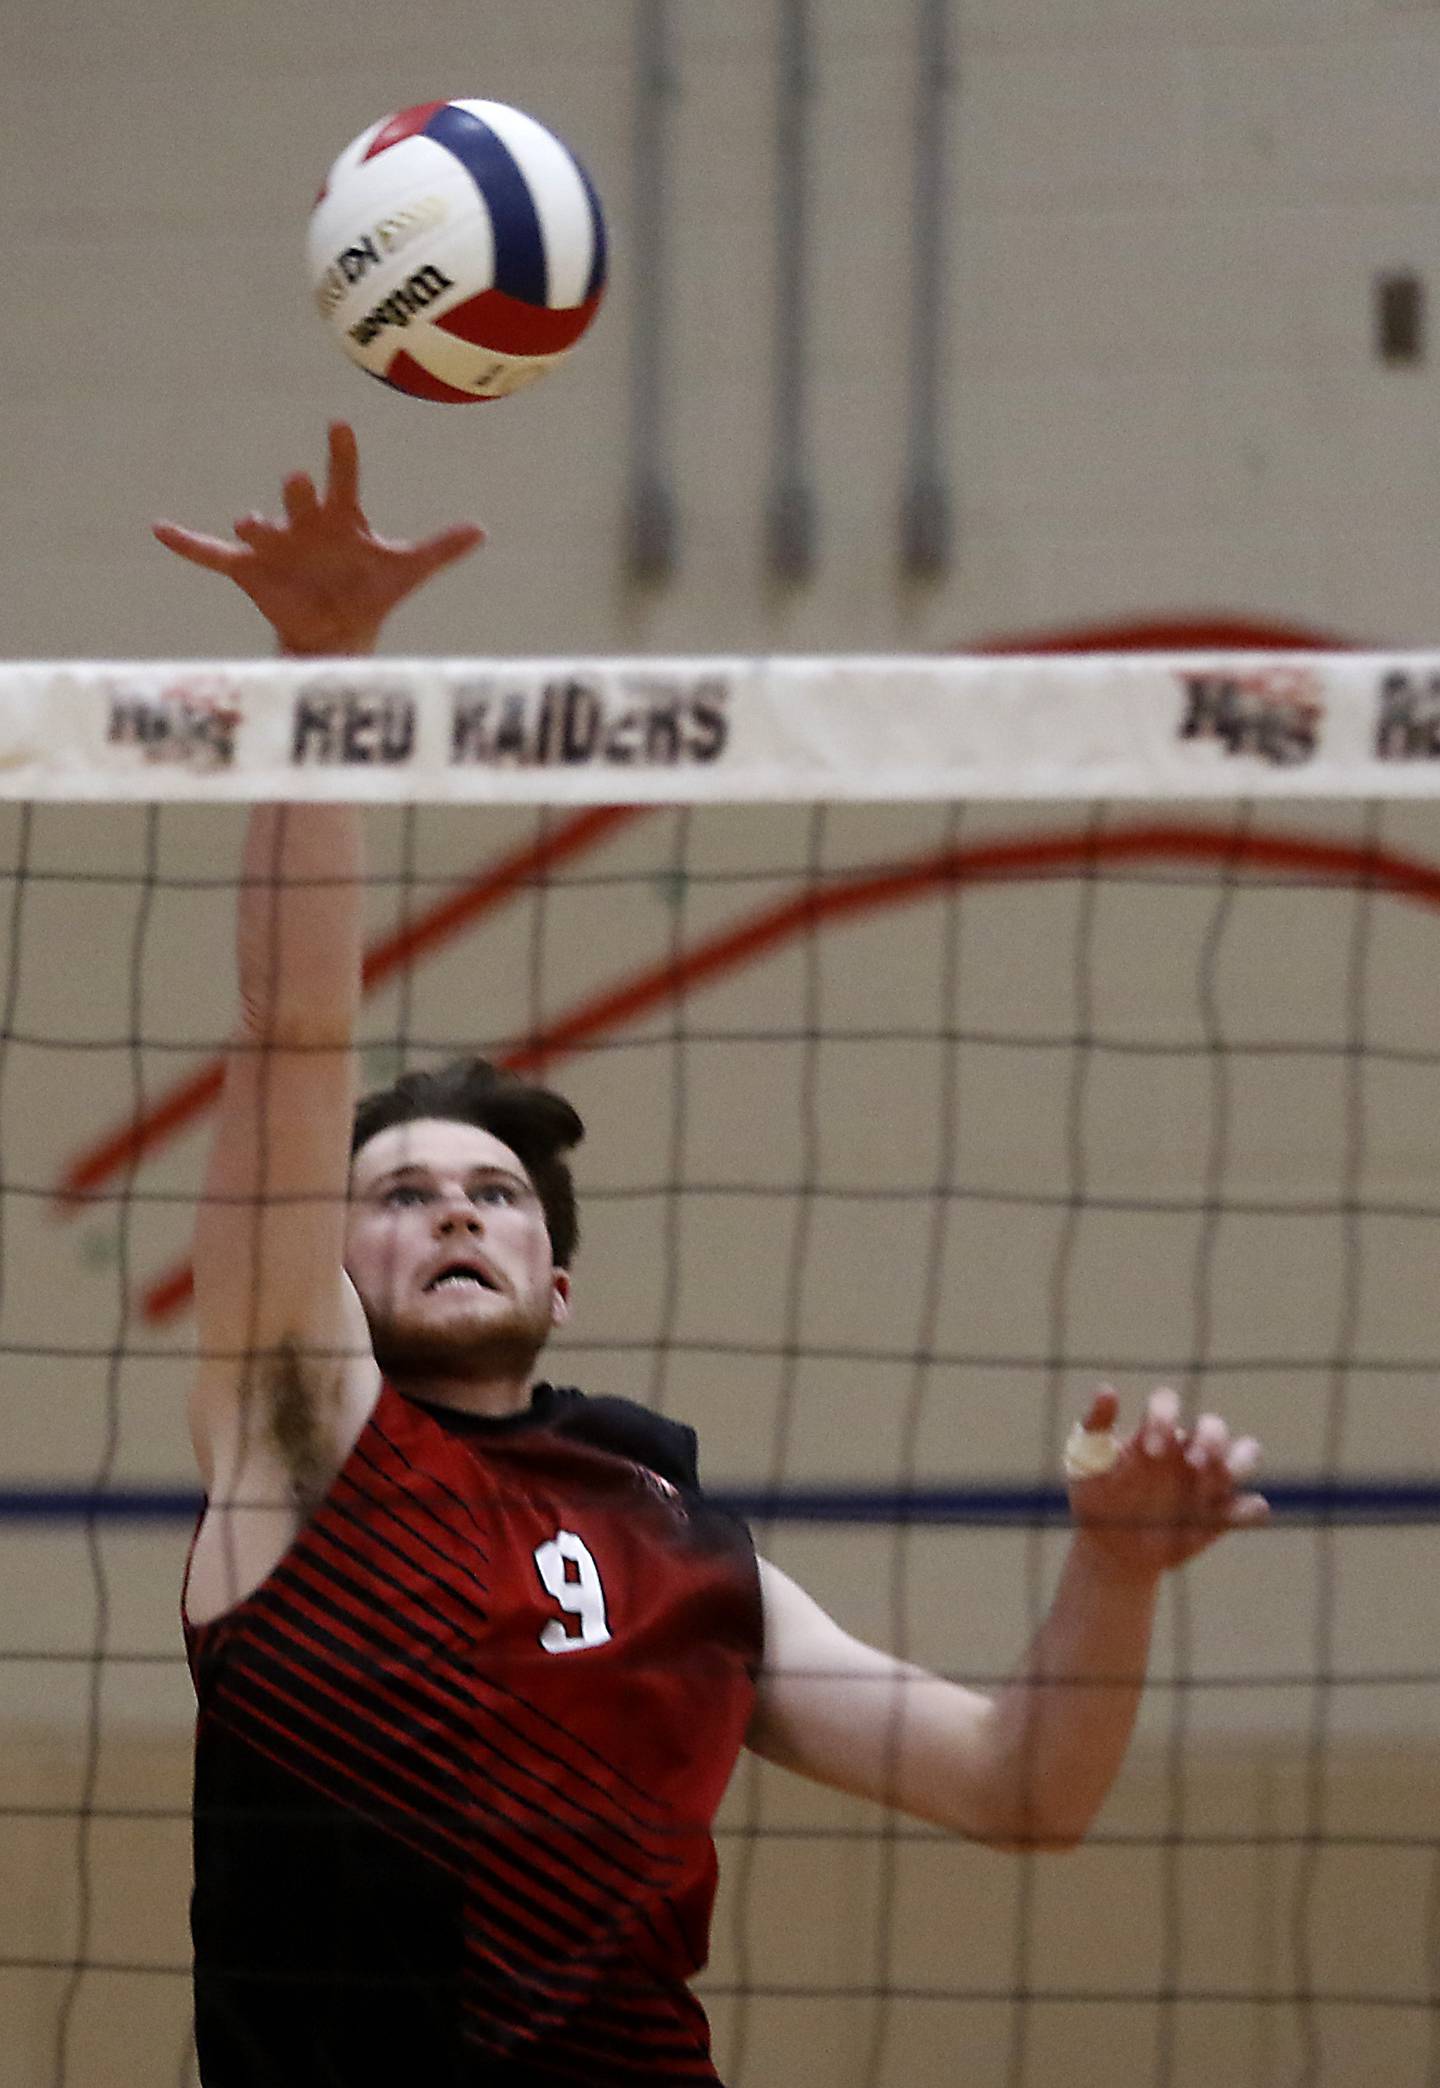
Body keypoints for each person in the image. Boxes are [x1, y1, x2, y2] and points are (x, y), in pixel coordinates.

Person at [155, 424, 1268, 2088]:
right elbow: (294, 1020)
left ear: (560, 1281)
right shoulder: (300, 1436)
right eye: (397, 1195)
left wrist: (1111, 1571)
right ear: (326, 1266)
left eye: (495, 1194)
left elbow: (1023, 1789)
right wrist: (326, 677)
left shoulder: (686, 1548)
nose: (456, 1211)